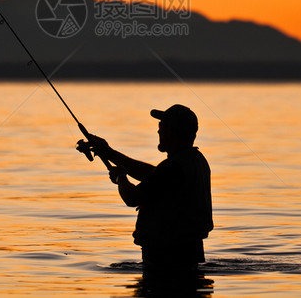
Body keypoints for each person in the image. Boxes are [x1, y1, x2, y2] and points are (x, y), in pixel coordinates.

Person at [87, 104, 213, 279]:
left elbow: (132, 198)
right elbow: (153, 175)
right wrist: (110, 153)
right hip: (186, 256)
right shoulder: (194, 160)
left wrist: (120, 178)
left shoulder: (173, 167)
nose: (158, 132)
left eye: (162, 126)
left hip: (165, 261)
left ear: (173, 131)